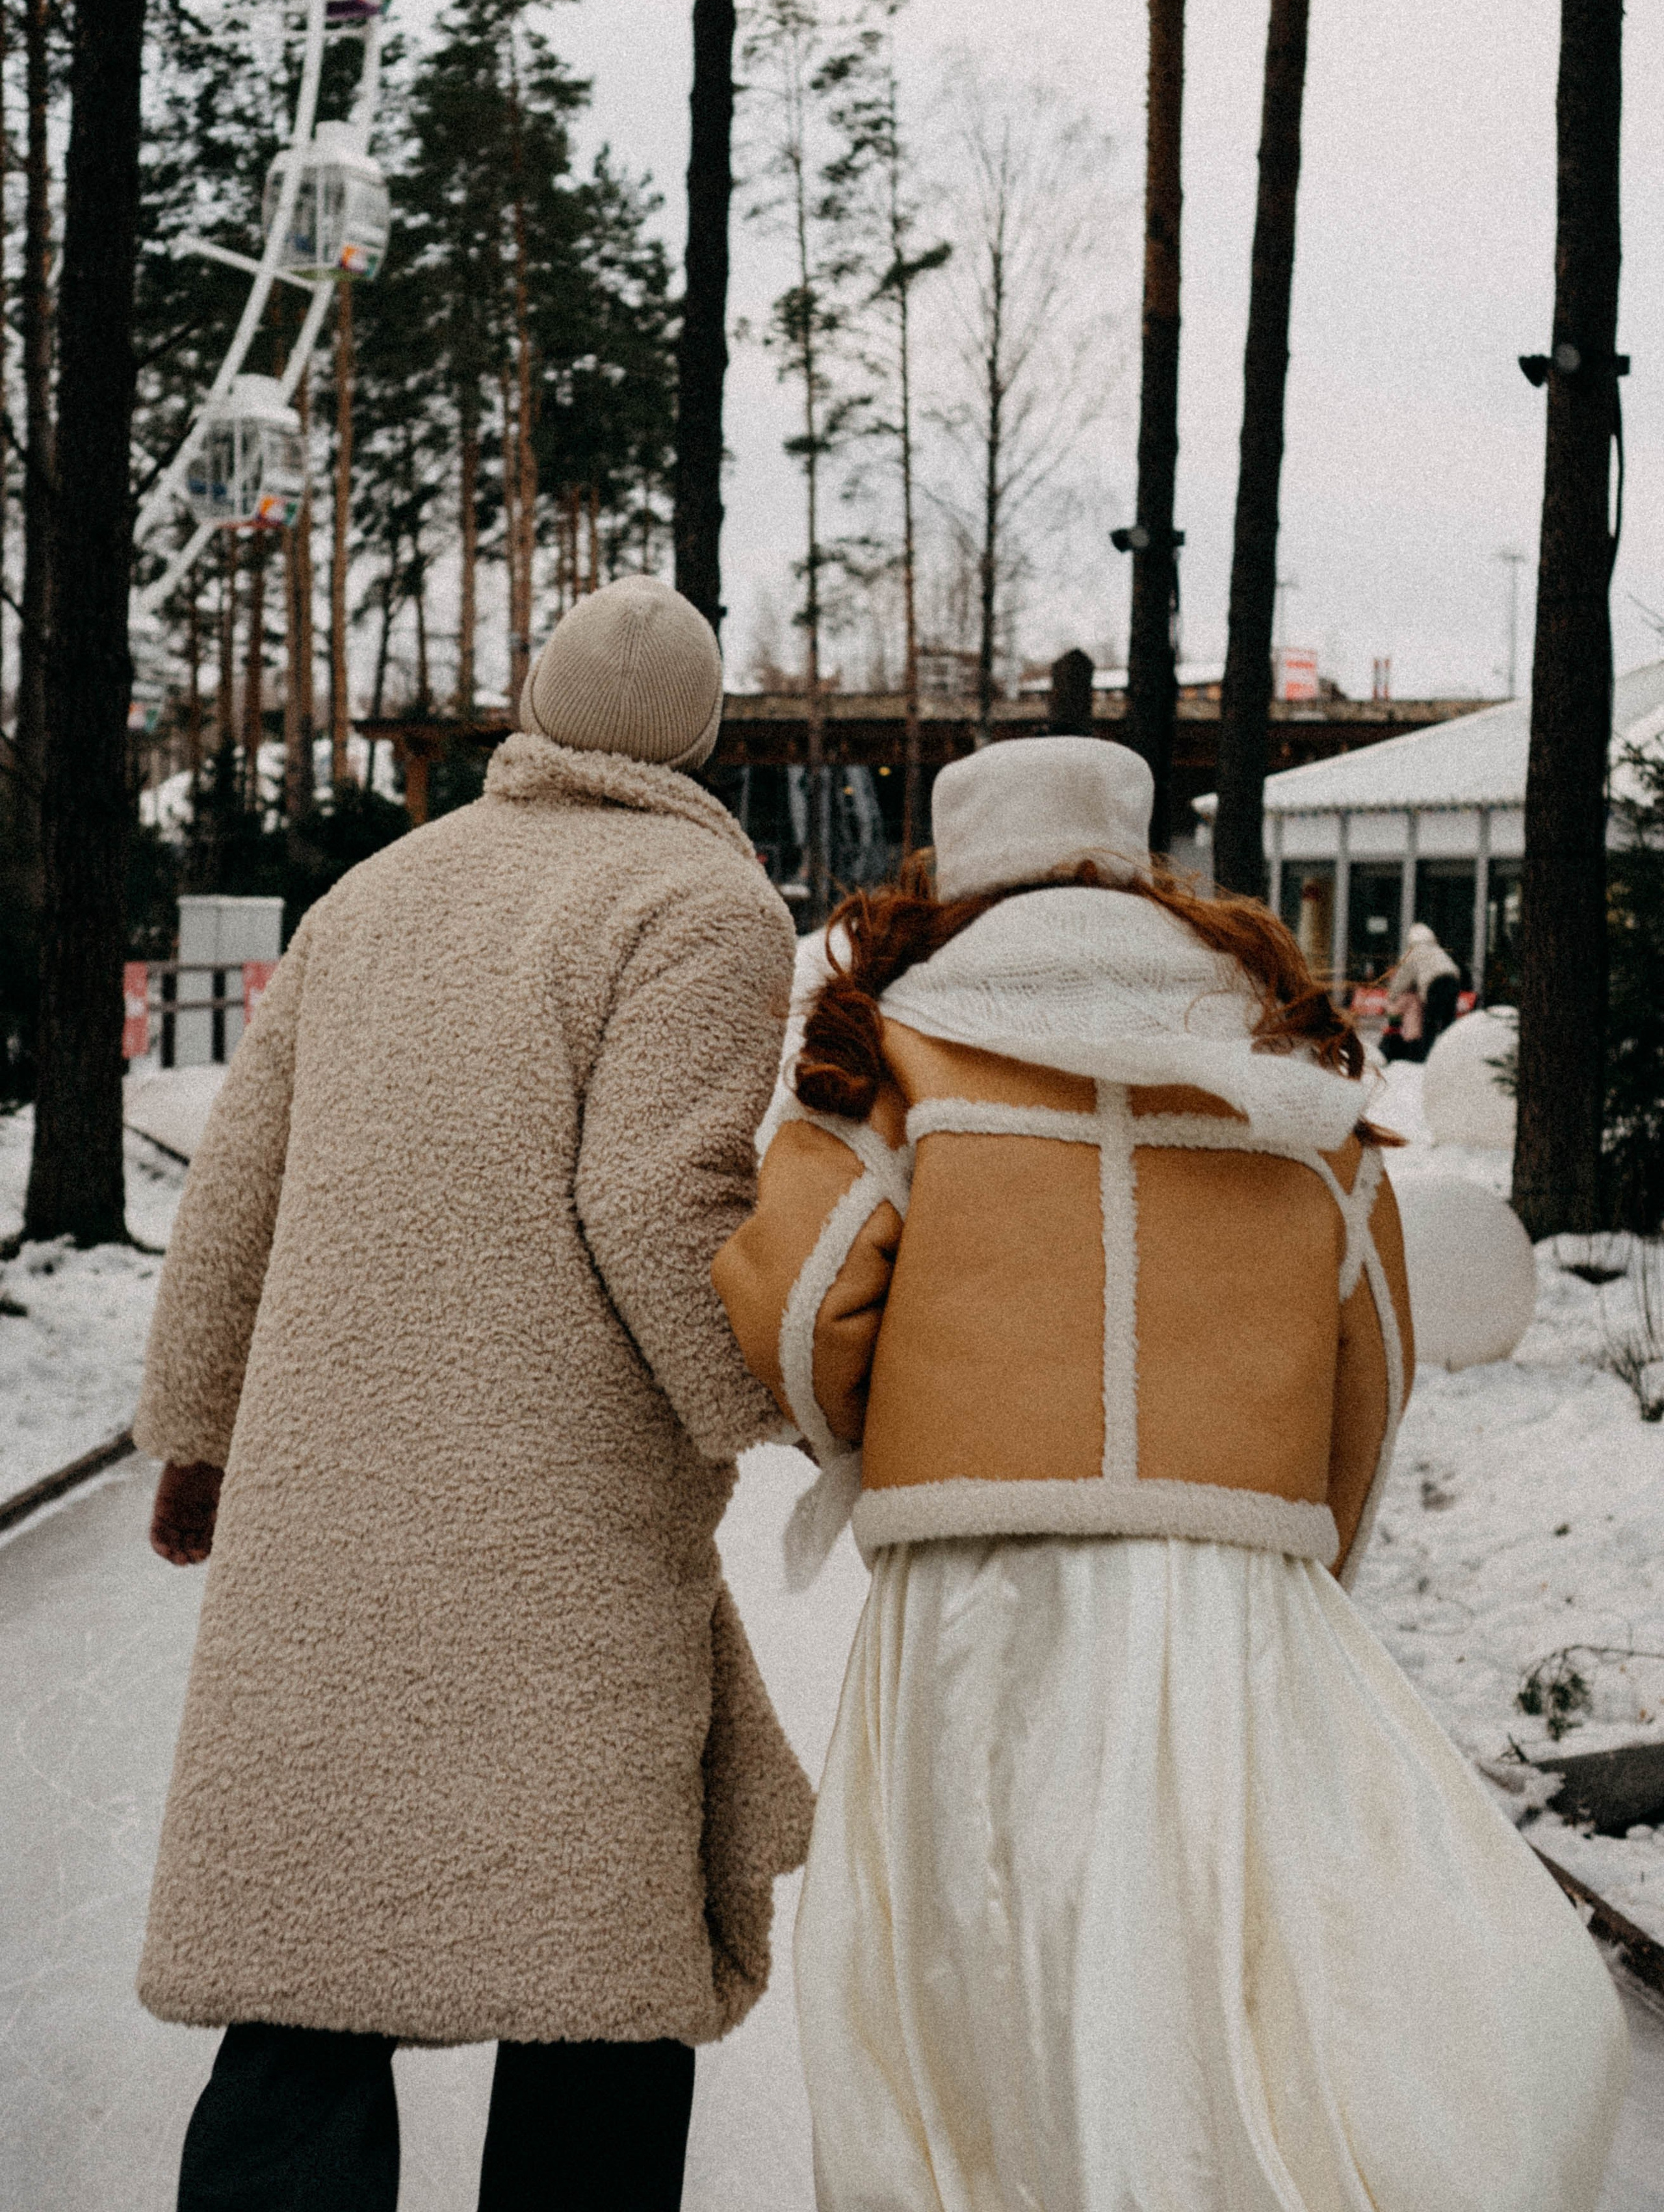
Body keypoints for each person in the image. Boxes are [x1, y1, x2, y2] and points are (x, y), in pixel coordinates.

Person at [713, 736, 1627, 2212]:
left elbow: (802, 1295)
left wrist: (869, 1447)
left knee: (981, 1955)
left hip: (976, 1580)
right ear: (1135, 854)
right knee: (1222, 1958)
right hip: (1232, 1578)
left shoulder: (895, 1049)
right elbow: (1371, 1349)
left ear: (954, 862)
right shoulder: (1279, 1056)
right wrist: (1299, 1549)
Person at [136, 576, 812, 2212]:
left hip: (324, 1506)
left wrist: (198, 1430)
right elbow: (659, 1202)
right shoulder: (701, 909)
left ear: (535, 695)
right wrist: (775, 1404)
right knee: (593, 1958)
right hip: (555, 1512)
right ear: (702, 736)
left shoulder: (376, 892)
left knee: (306, 1951)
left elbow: (240, 1181)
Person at [1380, 918, 1461, 1062]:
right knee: (1448, 1022)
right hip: (1453, 981)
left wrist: (1392, 995)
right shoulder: (1437, 950)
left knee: (1430, 1023)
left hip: (1435, 984)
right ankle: (1451, 1056)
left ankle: (1424, 1058)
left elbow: (1403, 978)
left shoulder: (1414, 952)